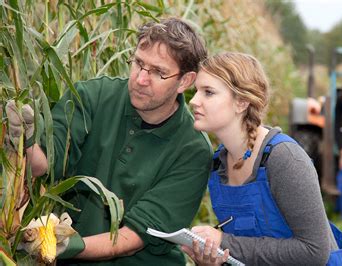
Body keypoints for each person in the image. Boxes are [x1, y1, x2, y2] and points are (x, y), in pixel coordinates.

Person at [6, 18, 212, 265]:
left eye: (158, 72)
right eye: (138, 63)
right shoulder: (91, 96)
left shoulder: (193, 150)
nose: (140, 79)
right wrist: (25, 141)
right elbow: (43, 166)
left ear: (185, 81)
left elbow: (130, 240)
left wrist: (65, 244)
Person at [183, 52, 342, 265]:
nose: (195, 101)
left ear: (241, 102)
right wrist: (214, 258)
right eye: (197, 91)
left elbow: (315, 251)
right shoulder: (219, 164)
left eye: (208, 92)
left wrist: (225, 243)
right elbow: (249, 252)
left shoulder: (284, 159)